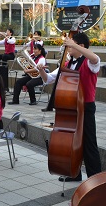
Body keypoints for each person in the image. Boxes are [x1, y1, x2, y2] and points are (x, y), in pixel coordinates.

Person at [37, 33, 101, 182]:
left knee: (89, 144)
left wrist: (73, 44)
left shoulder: (89, 63)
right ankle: (74, 173)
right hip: (70, 107)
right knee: (72, 142)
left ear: (81, 46)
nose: (68, 48)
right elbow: (48, 79)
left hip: (86, 107)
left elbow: (95, 58)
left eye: (71, 45)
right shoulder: (67, 64)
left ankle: (96, 180)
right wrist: (41, 71)